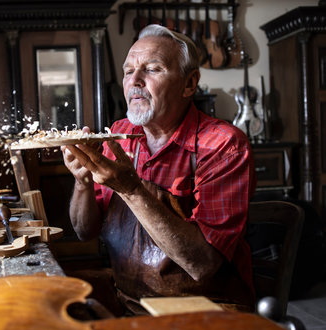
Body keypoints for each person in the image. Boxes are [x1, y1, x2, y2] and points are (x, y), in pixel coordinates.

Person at [61, 24, 256, 313]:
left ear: (189, 84)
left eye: (152, 69)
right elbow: (84, 231)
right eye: (129, 71)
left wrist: (131, 190)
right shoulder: (119, 134)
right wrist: (82, 182)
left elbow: (203, 265)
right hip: (128, 297)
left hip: (205, 306)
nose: (135, 81)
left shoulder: (223, 145)